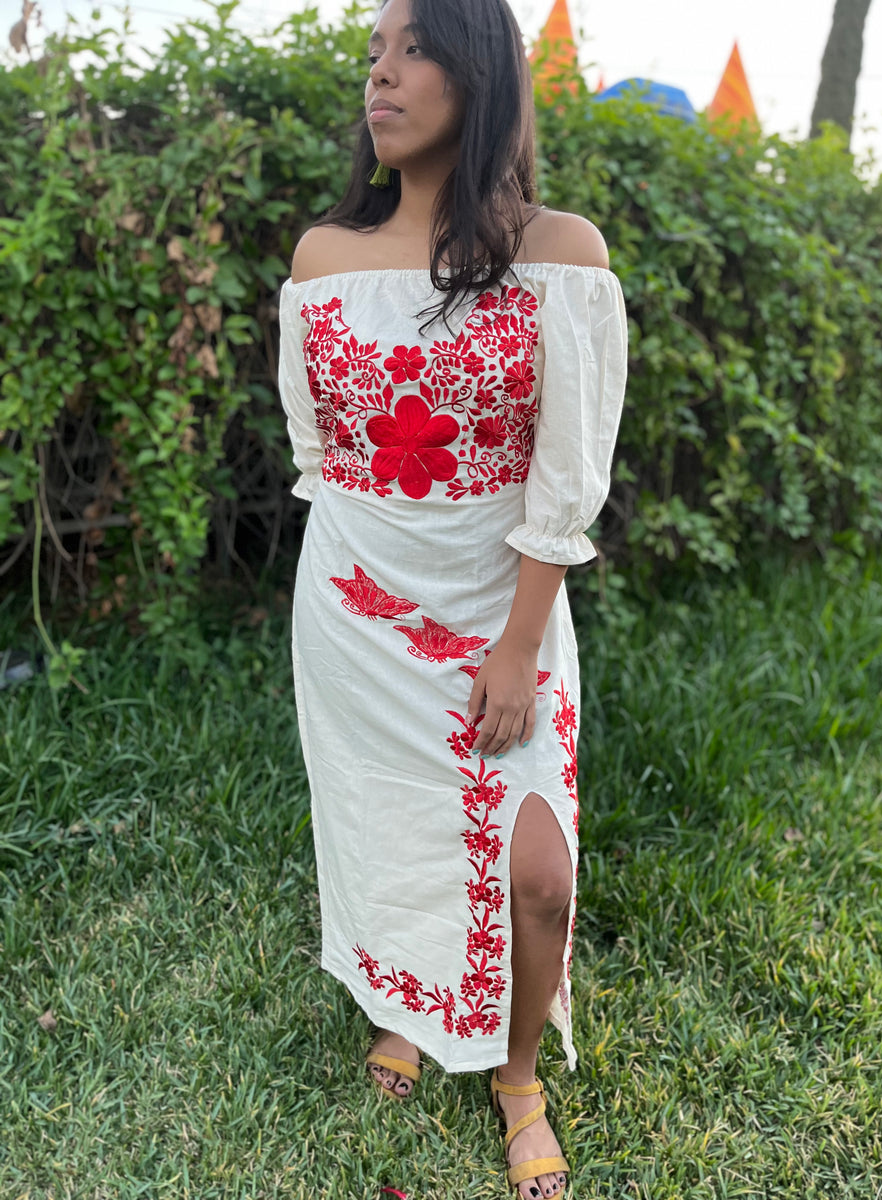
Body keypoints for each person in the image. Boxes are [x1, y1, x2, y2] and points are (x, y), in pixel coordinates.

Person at [277, 0, 627, 1195]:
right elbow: (321, 451)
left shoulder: (560, 255)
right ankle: (405, 1003)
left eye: (411, 49)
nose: (380, 76)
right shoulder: (322, 260)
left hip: (502, 610)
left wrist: (521, 645)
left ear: (479, 74)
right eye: (372, 55)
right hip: (356, 610)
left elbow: (563, 476)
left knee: (539, 871)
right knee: (387, 825)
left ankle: (517, 1070)